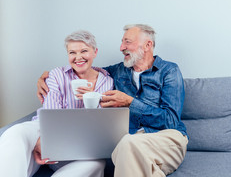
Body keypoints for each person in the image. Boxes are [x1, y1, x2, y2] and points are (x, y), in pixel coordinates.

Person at [37, 24, 188, 177]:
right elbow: (84, 68)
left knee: (126, 144)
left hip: (166, 137)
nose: (122, 47)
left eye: (127, 42)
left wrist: (130, 102)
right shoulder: (118, 71)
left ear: (148, 45)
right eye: (122, 42)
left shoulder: (169, 71)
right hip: (133, 142)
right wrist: (49, 76)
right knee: (127, 147)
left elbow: (171, 121)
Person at [0, 30, 114, 177]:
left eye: (84, 51)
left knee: (96, 164)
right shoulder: (56, 74)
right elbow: (51, 113)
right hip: (43, 128)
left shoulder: (107, 81)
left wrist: (89, 100)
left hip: (80, 137)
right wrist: (46, 140)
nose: (78, 57)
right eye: (72, 52)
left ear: (95, 52)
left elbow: (98, 122)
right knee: (15, 133)